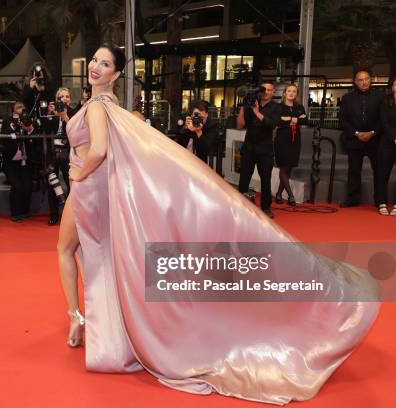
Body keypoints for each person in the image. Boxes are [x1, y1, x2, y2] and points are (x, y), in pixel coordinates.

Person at [57, 45, 378, 404]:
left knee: (69, 249)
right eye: (95, 61)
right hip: (104, 191)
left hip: (88, 188)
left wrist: (77, 176)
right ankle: (91, 321)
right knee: (100, 256)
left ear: (116, 74)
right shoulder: (111, 106)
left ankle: (78, 318)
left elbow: (98, 150)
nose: (96, 67)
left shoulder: (100, 108)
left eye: (105, 64)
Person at [339, 70, 383, 208]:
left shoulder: (380, 97)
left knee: (379, 170)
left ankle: (380, 200)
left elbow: (384, 119)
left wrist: (373, 132)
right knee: (354, 170)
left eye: (366, 79)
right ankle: (353, 199)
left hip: (375, 139)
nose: (363, 82)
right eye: (360, 80)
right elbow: (343, 120)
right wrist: (357, 133)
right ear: (355, 82)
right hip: (354, 139)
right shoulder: (347, 98)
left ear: (370, 80)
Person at [236, 82, 279, 218]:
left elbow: (271, 125)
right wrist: (244, 107)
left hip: (265, 150)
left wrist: (257, 112)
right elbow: (241, 125)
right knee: (244, 178)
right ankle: (240, 204)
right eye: (263, 89)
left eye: (269, 90)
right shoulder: (252, 103)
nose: (265, 92)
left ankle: (266, 207)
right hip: (249, 148)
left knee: (266, 180)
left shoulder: (276, 107)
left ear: (273, 92)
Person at [0, 102, 38, 222]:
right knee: (16, 186)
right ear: (13, 110)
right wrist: (14, 126)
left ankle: (25, 211)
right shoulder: (7, 121)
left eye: (23, 107)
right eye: (18, 107)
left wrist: (28, 128)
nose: (21, 109)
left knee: (27, 186)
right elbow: (3, 139)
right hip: (11, 161)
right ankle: (15, 213)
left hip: (26, 160)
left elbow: (35, 136)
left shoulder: (29, 120)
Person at [42, 88, 74, 225]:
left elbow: (75, 129)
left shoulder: (74, 113)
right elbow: (45, 128)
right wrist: (50, 114)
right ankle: (54, 215)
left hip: (68, 152)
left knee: (71, 184)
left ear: (70, 99)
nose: (64, 99)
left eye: (67, 96)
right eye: (61, 97)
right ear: (57, 99)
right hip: (53, 152)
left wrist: (65, 116)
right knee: (52, 184)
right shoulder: (53, 113)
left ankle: (71, 216)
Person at [274, 84, 309, 206]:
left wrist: (290, 119)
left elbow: (305, 120)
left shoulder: (299, 107)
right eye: (289, 91)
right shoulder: (278, 106)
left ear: (296, 94)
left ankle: (278, 194)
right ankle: (291, 196)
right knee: (283, 167)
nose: (291, 93)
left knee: (289, 168)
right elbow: (277, 120)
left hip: (295, 140)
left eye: (294, 91)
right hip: (282, 140)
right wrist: (293, 119)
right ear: (284, 93)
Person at [176, 100, 218, 164]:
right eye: (195, 116)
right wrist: (185, 127)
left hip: (199, 163)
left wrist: (199, 132)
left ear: (206, 115)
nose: (197, 120)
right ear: (191, 115)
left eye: (201, 117)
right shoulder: (186, 120)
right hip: (182, 159)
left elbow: (207, 148)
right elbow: (176, 136)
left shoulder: (211, 125)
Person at [377, 77, 396, 216]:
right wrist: (394, 138)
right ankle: (382, 202)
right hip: (387, 143)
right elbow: (384, 122)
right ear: (392, 87)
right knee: (383, 174)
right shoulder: (385, 103)